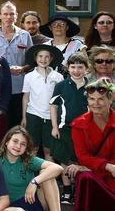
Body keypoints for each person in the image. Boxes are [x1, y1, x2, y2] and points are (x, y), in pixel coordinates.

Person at [67, 78, 115, 211]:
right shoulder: (78, 124)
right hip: (92, 172)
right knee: (85, 178)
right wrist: (106, 166)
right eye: (91, 99)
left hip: (111, 176)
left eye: (101, 99)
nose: (96, 103)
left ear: (110, 100)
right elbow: (82, 156)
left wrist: (97, 167)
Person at [0, 126, 63, 211]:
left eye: (23, 144)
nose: (18, 146)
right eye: (15, 141)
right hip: (8, 206)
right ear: (7, 141)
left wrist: (34, 182)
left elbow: (58, 168)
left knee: (48, 177)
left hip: (30, 201)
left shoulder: (28, 159)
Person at [49, 53, 90, 204]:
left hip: (85, 130)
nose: (76, 70)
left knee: (81, 159)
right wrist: (54, 127)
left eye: (80, 67)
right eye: (73, 67)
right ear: (68, 68)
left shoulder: (92, 86)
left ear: (87, 68)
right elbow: (53, 106)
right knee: (64, 159)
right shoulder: (61, 86)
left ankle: (80, 189)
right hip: (64, 128)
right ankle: (66, 190)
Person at [0, 1, 33, 128]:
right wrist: (5, 69)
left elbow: (32, 60)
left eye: (12, 14)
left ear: (16, 16)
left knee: (16, 122)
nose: (8, 17)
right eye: (5, 14)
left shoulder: (25, 35)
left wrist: (23, 68)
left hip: (19, 87)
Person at [21, 44, 64, 161]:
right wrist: (24, 117)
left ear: (51, 59)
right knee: (32, 148)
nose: (43, 59)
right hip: (33, 115)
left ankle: (48, 177)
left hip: (51, 117)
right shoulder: (29, 76)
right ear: (35, 58)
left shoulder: (58, 77)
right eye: (40, 56)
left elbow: (60, 100)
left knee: (48, 150)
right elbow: (26, 97)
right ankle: (29, 176)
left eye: (46, 57)